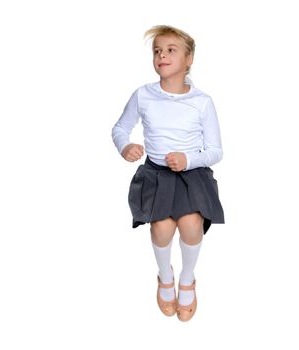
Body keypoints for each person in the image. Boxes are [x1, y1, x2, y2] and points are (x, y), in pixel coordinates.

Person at [111, 25, 225, 322]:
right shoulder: (144, 95)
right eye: (157, 51)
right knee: (161, 228)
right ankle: (165, 276)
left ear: (189, 59)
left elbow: (215, 150)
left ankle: (187, 278)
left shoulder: (202, 101)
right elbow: (120, 128)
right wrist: (125, 146)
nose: (162, 55)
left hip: (192, 175)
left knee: (190, 224)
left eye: (171, 50)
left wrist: (188, 159)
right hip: (156, 175)